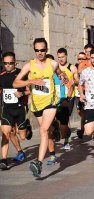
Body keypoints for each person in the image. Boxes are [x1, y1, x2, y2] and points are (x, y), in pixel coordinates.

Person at [13, 38, 67, 177]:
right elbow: (15, 83)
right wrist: (31, 80)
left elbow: (61, 73)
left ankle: (38, 162)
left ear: (46, 49)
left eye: (42, 50)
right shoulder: (29, 66)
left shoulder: (53, 64)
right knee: (47, 130)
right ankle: (55, 126)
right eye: (37, 50)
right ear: (34, 50)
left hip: (51, 102)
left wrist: (63, 77)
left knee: (43, 130)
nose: (40, 53)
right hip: (37, 104)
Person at [0, 52, 31, 169]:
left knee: (22, 136)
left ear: (15, 62)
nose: (8, 65)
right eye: (6, 63)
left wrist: (22, 93)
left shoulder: (20, 74)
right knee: (6, 133)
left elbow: (30, 90)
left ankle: (27, 129)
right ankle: (3, 160)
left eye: (10, 63)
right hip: (7, 110)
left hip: (20, 109)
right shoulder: (1, 75)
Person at [57, 48, 79, 150]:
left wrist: (70, 81)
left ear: (66, 56)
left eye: (62, 57)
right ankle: (66, 132)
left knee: (65, 118)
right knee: (60, 119)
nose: (61, 59)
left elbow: (77, 81)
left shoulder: (72, 67)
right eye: (59, 57)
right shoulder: (55, 68)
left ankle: (66, 140)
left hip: (69, 96)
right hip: (57, 96)